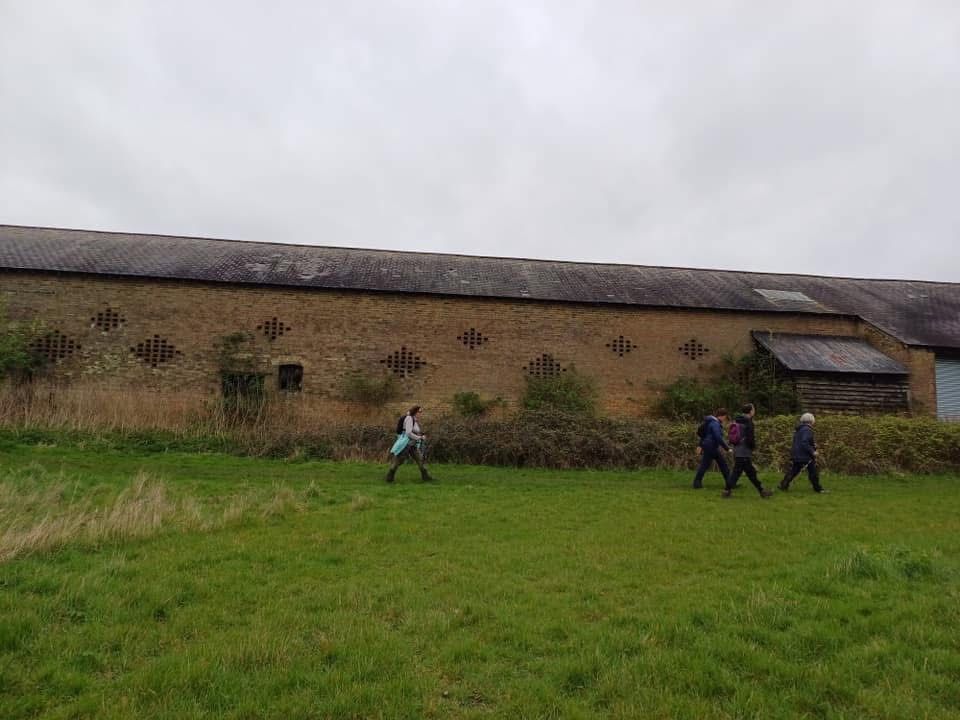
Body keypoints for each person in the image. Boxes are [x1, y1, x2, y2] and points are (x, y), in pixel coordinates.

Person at [722, 403, 774, 498]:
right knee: (740, 473)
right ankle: (726, 491)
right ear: (751, 411)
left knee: (749, 473)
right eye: (753, 409)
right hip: (744, 452)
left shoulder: (737, 420)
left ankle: (762, 491)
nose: (754, 411)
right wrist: (753, 447)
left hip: (737, 450)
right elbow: (750, 438)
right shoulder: (748, 422)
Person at [385, 405, 435, 483]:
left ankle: (426, 476)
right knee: (399, 460)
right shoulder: (409, 418)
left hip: (413, 444)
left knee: (420, 459)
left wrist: (420, 435)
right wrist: (419, 438)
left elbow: (415, 430)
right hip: (406, 444)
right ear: (415, 411)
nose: (420, 414)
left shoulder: (414, 419)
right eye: (419, 412)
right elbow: (408, 433)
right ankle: (389, 477)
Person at [779, 412, 827, 493]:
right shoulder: (808, 430)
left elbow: (800, 441)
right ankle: (818, 489)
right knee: (813, 472)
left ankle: (783, 485)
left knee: (794, 471)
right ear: (811, 420)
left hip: (797, 454)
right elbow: (804, 442)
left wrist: (812, 444)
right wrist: (813, 451)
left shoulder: (799, 429)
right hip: (805, 455)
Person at [692, 408, 731, 489]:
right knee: (705, 465)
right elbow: (718, 437)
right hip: (711, 447)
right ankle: (697, 483)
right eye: (725, 418)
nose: (725, 420)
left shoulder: (711, 422)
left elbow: (705, 435)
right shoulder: (715, 423)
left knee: (722, 464)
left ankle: (730, 482)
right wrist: (727, 448)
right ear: (723, 416)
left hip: (710, 446)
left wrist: (700, 445)